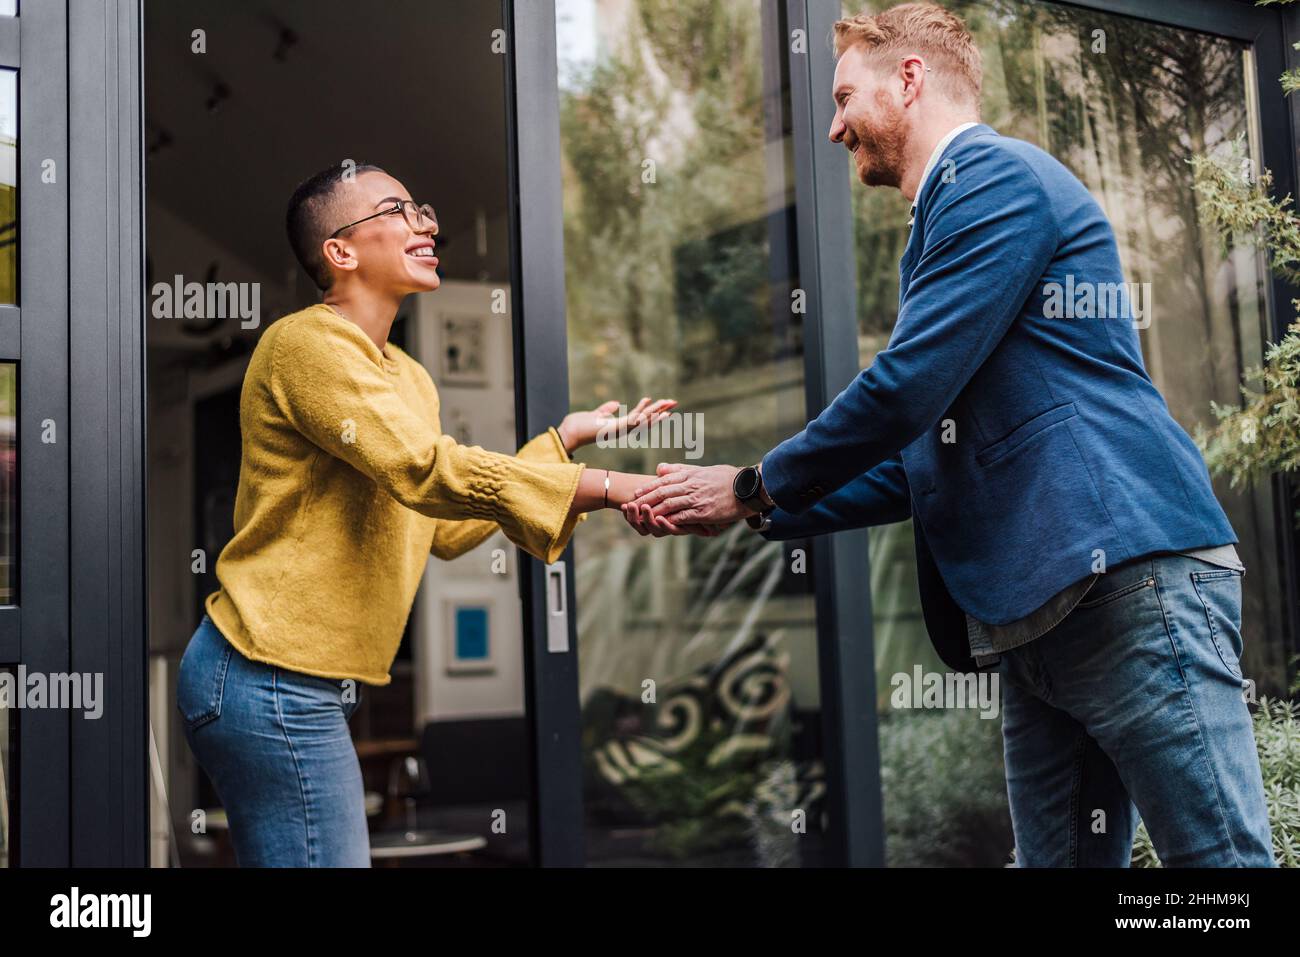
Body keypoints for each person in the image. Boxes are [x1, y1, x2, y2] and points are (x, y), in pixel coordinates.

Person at [623, 2, 1275, 867]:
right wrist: (751, 503)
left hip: (1124, 579)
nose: (832, 126)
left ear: (910, 78)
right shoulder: (945, 220)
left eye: (844, 95)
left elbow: (903, 393)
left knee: (1222, 875)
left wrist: (753, 483)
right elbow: (917, 461)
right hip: (1036, 618)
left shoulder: (995, 180)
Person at [176, 161, 672, 867]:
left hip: (297, 688)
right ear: (340, 251)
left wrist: (561, 444)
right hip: (264, 678)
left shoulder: (408, 377)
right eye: (398, 210)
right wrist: (610, 487)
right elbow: (426, 468)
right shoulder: (304, 345)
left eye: (424, 210)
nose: (428, 223)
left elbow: (440, 525)